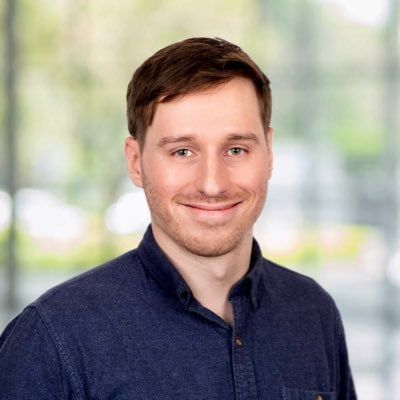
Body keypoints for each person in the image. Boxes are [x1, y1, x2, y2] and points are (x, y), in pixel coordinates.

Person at [0, 37, 357, 400]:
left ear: (269, 153)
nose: (213, 184)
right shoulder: (52, 340)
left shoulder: (313, 313)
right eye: (183, 151)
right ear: (136, 162)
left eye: (236, 150)